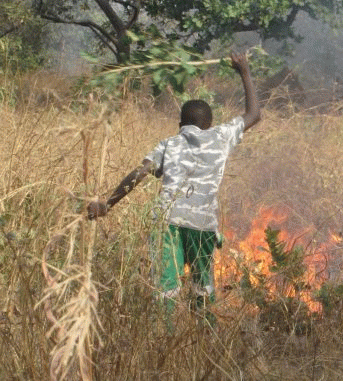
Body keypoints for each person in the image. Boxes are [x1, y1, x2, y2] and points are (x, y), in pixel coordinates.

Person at [87, 52, 261, 317]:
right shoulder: (220, 136)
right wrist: (244, 72)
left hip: (167, 223)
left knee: (166, 290)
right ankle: (206, 335)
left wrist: (107, 204)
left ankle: (162, 336)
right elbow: (253, 114)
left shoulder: (169, 144)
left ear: (180, 125)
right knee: (203, 288)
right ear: (209, 124)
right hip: (201, 226)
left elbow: (139, 173)